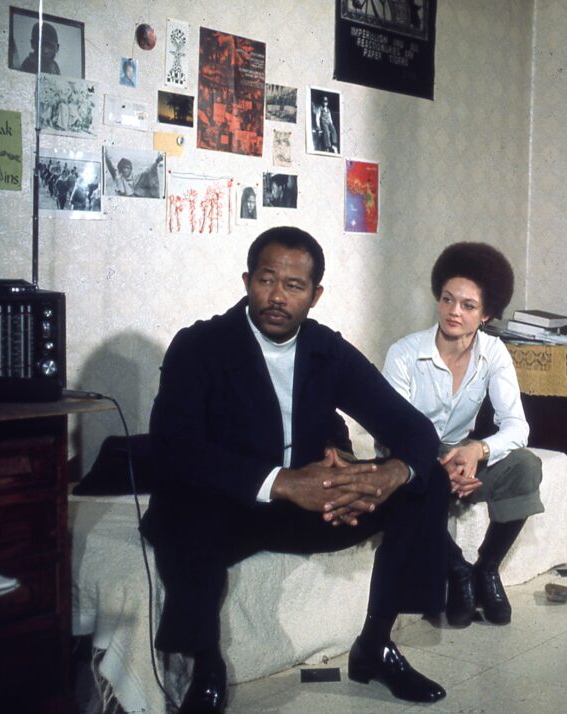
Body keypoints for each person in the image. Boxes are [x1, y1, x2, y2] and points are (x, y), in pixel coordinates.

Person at [140, 226, 449, 713]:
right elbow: (174, 447)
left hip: (312, 508)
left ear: (315, 295)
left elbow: (413, 429)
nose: (277, 297)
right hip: (231, 506)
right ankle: (205, 661)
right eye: (267, 280)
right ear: (247, 281)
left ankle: (375, 643)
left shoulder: (327, 350)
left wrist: (382, 477)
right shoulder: (201, 345)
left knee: (427, 481)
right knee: (183, 505)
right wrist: (282, 483)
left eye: (294, 286)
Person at [381, 242, 543, 627]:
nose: (454, 311)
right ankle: (457, 568)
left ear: (486, 314)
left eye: (468, 305)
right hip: (409, 454)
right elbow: (392, 430)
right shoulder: (404, 354)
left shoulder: (495, 353)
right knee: (409, 477)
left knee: (525, 464)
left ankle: (486, 567)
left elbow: (517, 426)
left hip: (459, 454)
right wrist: (441, 465)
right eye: (447, 300)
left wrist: (477, 450)